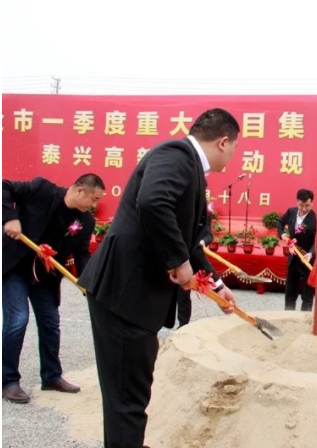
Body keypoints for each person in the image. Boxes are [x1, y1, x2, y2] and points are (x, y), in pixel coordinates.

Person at [77, 108, 240, 448]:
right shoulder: (177, 153)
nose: (233, 155)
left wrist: (217, 285)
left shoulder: (190, 168)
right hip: (125, 294)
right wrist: (177, 260)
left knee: (130, 392)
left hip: (133, 297)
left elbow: (189, 241)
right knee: (127, 399)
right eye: (235, 147)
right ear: (223, 142)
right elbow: (153, 202)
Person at [2, 174, 105, 403]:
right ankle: (8, 381)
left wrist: (89, 283)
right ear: (80, 190)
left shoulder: (86, 222)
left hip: (46, 277)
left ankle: (51, 376)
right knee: (18, 319)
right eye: (94, 199)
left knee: (50, 323)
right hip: (15, 268)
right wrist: (10, 218)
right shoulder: (42, 190)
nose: (94, 205)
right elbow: (4, 186)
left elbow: (82, 255)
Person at [277, 189, 316, 311]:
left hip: (307, 260)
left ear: (312, 203)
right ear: (297, 202)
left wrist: (311, 253)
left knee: (307, 295)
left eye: (307, 205)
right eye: (301, 205)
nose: (304, 208)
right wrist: (282, 234)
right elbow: (279, 222)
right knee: (290, 293)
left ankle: (304, 318)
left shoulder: (315, 219)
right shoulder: (291, 211)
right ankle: (288, 317)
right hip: (293, 259)